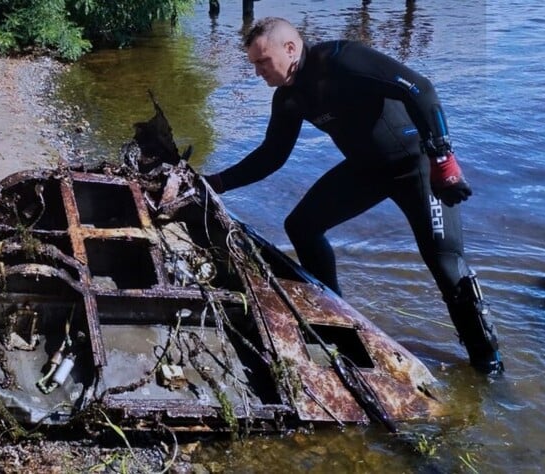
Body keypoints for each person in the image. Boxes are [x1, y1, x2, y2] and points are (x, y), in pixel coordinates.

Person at [203, 17, 504, 375]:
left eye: (262, 62)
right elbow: (271, 156)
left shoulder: (342, 60)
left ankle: (488, 367)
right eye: (254, 64)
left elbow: (420, 89)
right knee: (302, 225)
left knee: (444, 262)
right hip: (367, 170)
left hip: (417, 168)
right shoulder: (289, 98)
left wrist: (442, 157)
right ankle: (338, 321)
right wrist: (214, 183)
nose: (258, 72)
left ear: (290, 48)